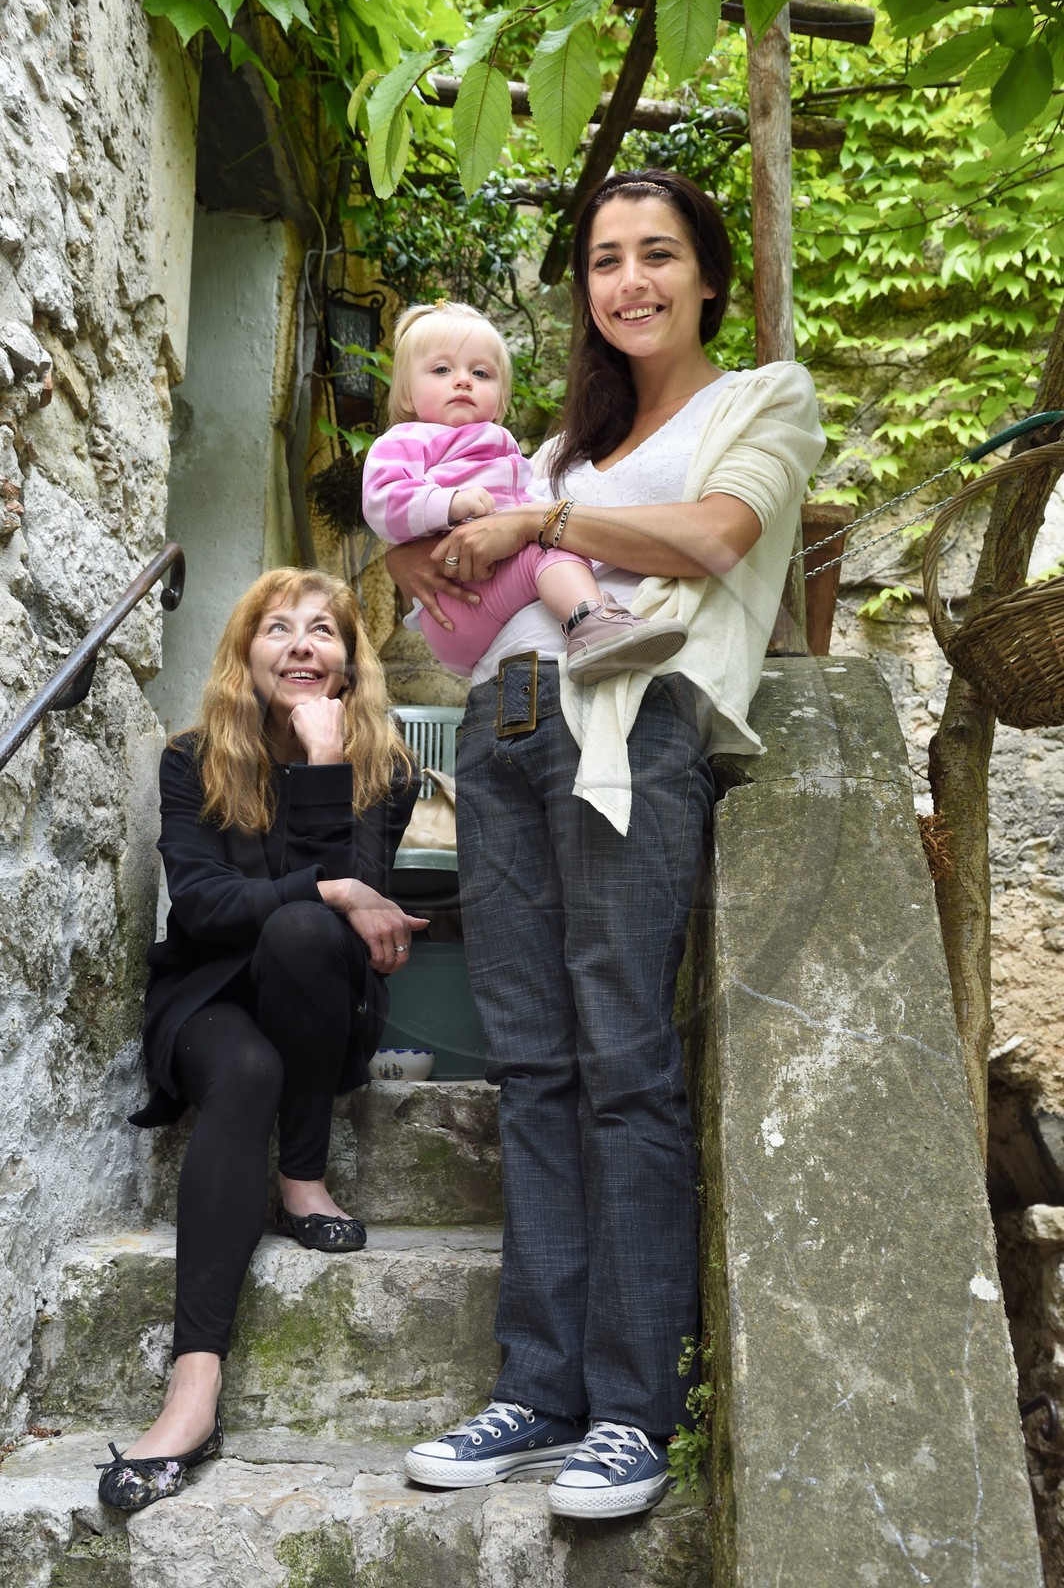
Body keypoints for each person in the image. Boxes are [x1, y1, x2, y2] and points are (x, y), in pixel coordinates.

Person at [388, 170, 825, 1520]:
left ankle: (633, 1411)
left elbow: (713, 537)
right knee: (533, 1069)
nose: (628, 279)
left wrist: (543, 522)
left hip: (631, 728)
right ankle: (540, 1388)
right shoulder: (561, 447)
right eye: (603, 260)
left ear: (705, 276)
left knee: (625, 1061)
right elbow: (469, 598)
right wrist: (445, 573)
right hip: (504, 734)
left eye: (656, 255)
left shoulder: (766, 398)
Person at [95, 568, 423, 1514]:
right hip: (206, 992)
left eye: (324, 630)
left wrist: (324, 775)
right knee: (244, 1068)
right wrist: (324, 891)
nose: (301, 645)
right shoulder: (191, 758)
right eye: (276, 629)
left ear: (351, 662)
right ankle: (191, 1394)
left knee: (305, 931)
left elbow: (352, 906)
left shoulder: (385, 771)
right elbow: (199, 906)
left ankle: (303, 1175)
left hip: (322, 994)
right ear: (246, 655)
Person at [361, 299, 687, 684]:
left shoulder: (505, 446)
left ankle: (594, 613)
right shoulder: (407, 439)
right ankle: (591, 624)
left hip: (487, 591)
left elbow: (520, 509)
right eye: (441, 369)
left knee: (558, 531)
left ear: (500, 400)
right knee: (550, 539)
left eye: (481, 373)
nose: (463, 380)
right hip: (456, 598)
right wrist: (448, 504)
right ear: (406, 394)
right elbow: (381, 499)